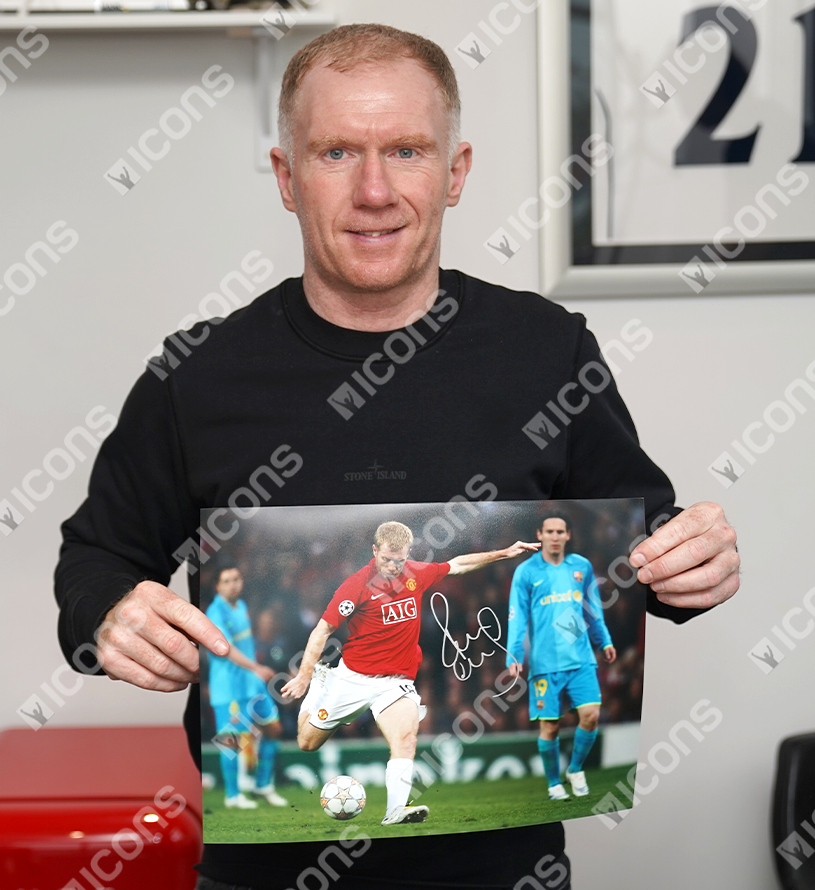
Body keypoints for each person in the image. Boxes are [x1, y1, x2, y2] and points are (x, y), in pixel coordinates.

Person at [54, 23, 740, 890]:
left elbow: (641, 544)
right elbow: (95, 557)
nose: (374, 189)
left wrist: (693, 559)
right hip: (256, 873)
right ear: (286, 177)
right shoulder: (196, 375)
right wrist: (107, 613)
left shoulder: (547, 351)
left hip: (505, 870)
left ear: (453, 176)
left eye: (407, 150)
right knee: (310, 734)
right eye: (337, 151)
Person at [281, 520, 538, 825]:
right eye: (387, 559)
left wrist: (504, 553)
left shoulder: (416, 573)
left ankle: (394, 813)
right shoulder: (356, 586)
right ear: (375, 550)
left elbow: (456, 565)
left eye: (399, 560)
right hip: (351, 678)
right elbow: (323, 630)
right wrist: (305, 676)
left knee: (406, 739)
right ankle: (319, 689)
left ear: (408, 554)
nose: (393, 566)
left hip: (395, 683)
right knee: (307, 743)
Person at [506, 514, 615, 801]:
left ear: (568, 535)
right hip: (545, 662)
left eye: (560, 531)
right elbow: (517, 618)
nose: (554, 536)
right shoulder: (527, 572)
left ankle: (575, 769)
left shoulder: (581, 567)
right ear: (539, 534)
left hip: (581, 659)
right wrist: (514, 655)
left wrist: (603, 640)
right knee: (550, 726)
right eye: (549, 531)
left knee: (591, 715)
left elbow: (592, 609)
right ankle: (554, 783)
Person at [205, 564, 287, 809]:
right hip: (229, 686)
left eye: (236, 579)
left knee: (273, 728)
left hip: (252, 684)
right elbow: (226, 649)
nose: (233, 584)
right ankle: (233, 796)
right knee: (232, 740)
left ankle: (263, 785)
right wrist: (256, 668)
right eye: (227, 580)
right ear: (218, 586)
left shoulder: (240, 606)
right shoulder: (215, 612)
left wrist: (254, 672)